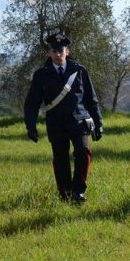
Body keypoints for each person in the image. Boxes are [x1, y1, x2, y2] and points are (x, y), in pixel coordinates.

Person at [24, 32, 103, 203]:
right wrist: (30, 126)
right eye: (54, 51)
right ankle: (65, 194)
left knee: (83, 152)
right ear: (49, 53)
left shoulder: (79, 71)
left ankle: (78, 191)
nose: (58, 54)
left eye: (61, 50)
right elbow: (32, 103)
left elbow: (91, 99)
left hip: (79, 120)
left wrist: (98, 123)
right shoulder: (41, 75)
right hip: (56, 123)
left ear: (67, 51)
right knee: (60, 160)